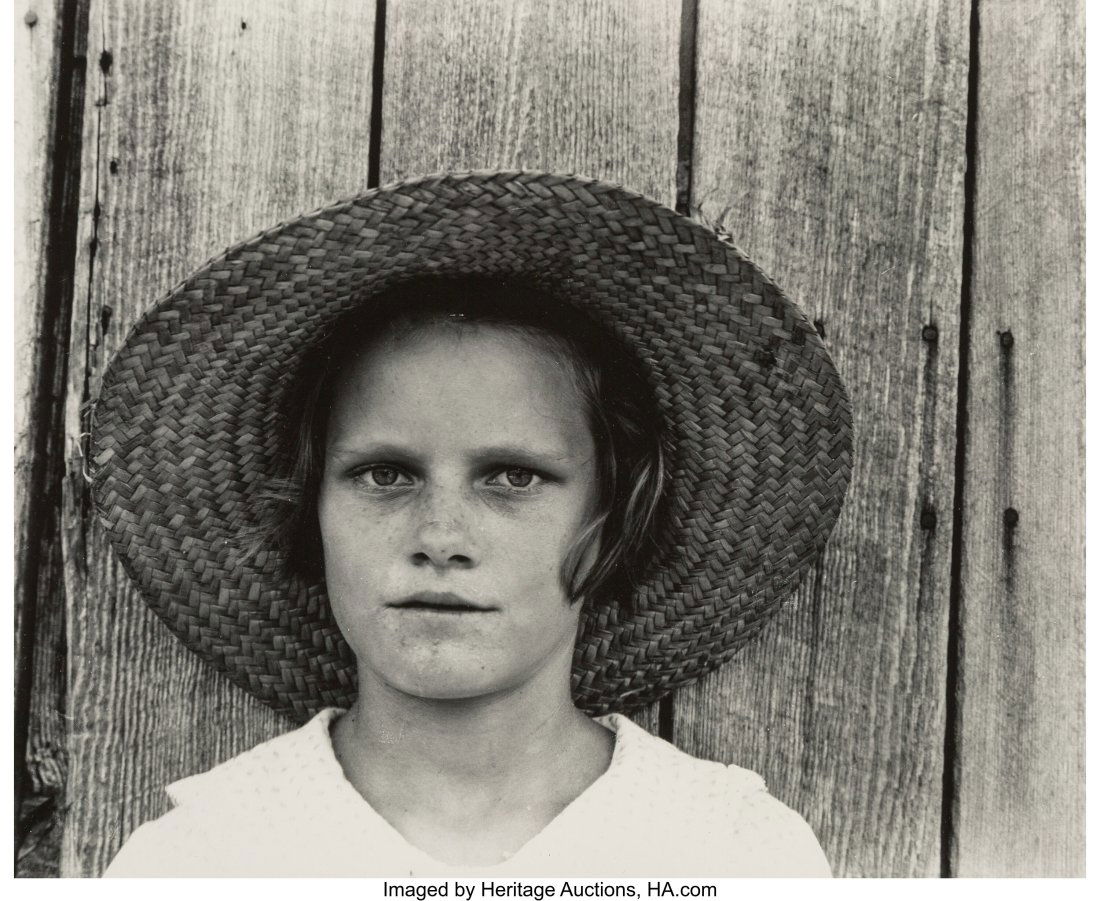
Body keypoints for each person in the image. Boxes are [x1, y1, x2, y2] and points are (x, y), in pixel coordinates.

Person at [91, 172, 852, 877]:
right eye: (384, 474)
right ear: (311, 509)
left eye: (513, 477)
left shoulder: (731, 853)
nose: (440, 537)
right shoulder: (200, 858)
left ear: (611, 517)